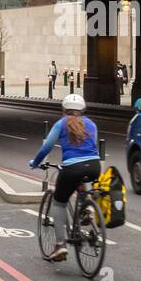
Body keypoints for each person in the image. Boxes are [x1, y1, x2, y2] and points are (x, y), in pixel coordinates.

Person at [28, 94, 100, 263]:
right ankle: (88, 207)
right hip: (95, 165)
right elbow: (93, 145)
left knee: (59, 202)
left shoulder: (61, 124)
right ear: (82, 110)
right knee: (84, 179)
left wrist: (36, 162)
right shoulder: (91, 124)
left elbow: (47, 146)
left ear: (63, 110)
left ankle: (60, 245)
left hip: (72, 168)